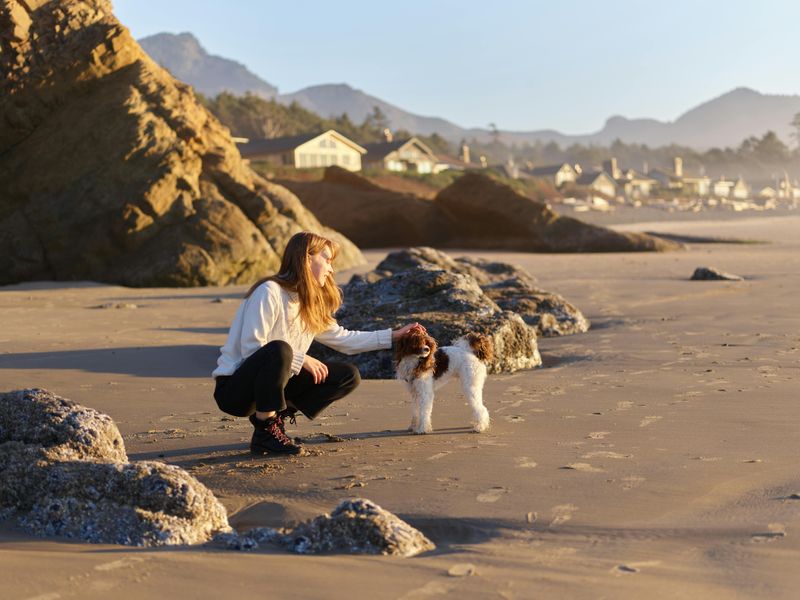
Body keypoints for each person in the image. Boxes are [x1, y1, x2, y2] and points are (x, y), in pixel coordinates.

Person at [212, 231, 424, 456]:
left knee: (347, 375)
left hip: (273, 384)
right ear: (306, 258)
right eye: (327, 260)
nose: (331, 269)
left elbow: (345, 339)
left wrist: (394, 335)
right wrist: (302, 358)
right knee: (279, 348)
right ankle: (265, 430)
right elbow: (253, 348)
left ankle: (273, 420)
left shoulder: (308, 302)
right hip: (236, 390)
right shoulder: (269, 291)